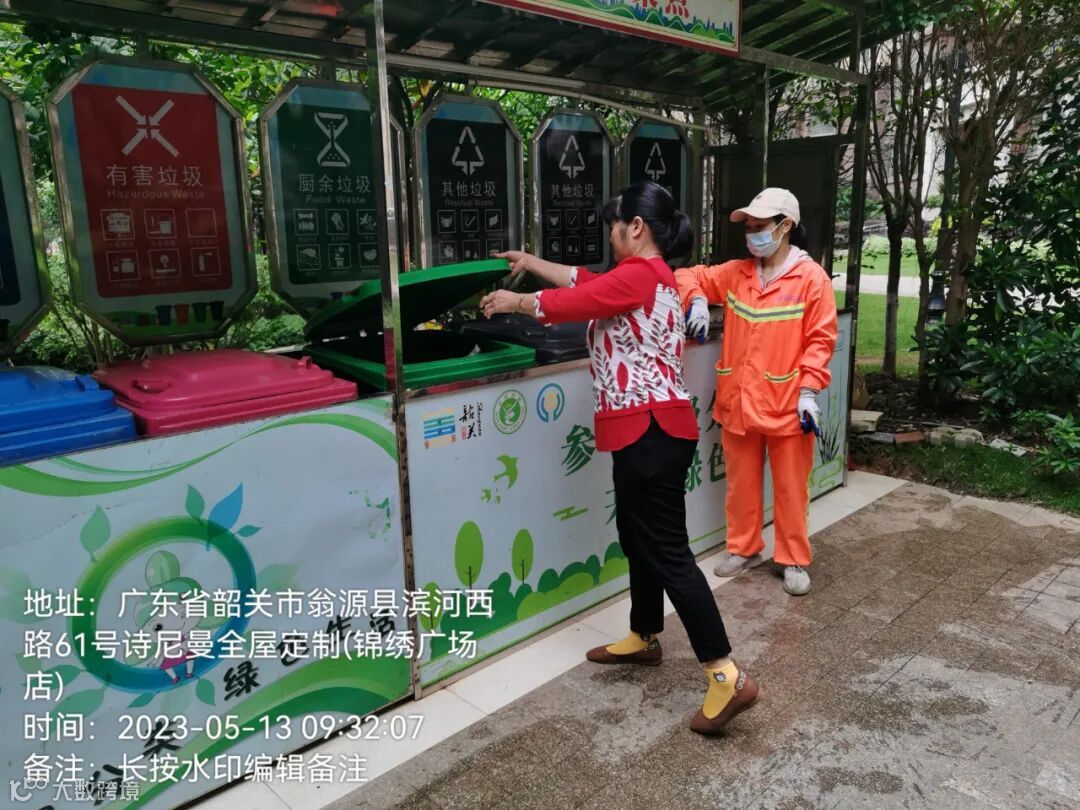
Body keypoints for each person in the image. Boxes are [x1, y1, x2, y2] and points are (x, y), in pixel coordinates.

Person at [479, 181, 758, 735]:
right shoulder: (645, 276)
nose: (609, 232)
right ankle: (644, 635)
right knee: (636, 537)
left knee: (669, 553)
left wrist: (518, 301)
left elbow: (576, 301)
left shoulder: (641, 274)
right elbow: (582, 281)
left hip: (651, 434)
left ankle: (726, 674)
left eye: (614, 222)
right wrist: (531, 263)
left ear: (637, 226)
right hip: (646, 432)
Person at [678, 188, 838, 596]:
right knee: (741, 484)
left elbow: (820, 341)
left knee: (790, 487)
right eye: (748, 227)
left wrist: (808, 391)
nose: (752, 234)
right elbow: (686, 275)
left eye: (759, 226)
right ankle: (744, 547)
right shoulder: (738, 273)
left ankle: (793, 558)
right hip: (739, 401)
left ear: (786, 226)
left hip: (787, 404)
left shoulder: (811, 279)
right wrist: (696, 301)